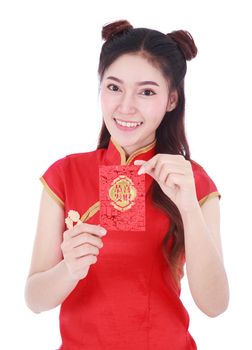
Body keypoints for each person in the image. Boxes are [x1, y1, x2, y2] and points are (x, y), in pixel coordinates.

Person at [25, 19, 229, 349]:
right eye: (114, 87)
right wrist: (69, 269)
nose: (125, 106)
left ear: (172, 100)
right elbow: (34, 300)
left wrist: (189, 207)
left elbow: (216, 305)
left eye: (147, 92)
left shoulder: (193, 182)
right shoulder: (65, 174)